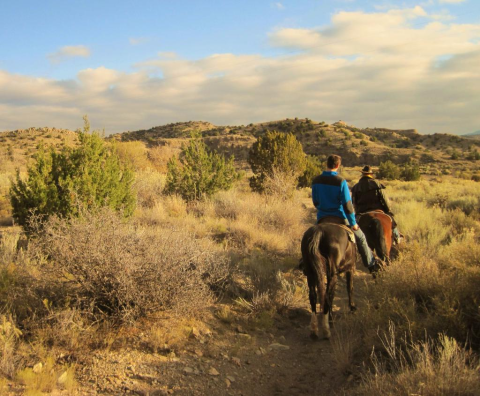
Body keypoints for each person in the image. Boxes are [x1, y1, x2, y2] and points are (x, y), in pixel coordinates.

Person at [311, 154, 382, 275]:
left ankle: (304, 262)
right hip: (340, 218)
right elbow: (348, 206)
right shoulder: (341, 181)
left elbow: (315, 202)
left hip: (322, 218)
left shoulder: (316, 180)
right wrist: (353, 224)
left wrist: (324, 209)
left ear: (326, 164)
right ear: (338, 165)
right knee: (361, 238)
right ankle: (371, 265)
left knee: (311, 238)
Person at [351, 165, 403, 244]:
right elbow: (384, 199)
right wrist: (388, 210)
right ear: (371, 174)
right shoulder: (377, 184)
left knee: (353, 228)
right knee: (391, 220)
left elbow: (354, 203)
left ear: (362, 174)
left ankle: (354, 242)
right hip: (378, 209)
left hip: (361, 212)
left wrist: (357, 212)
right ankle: (397, 236)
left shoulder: (356, 187)